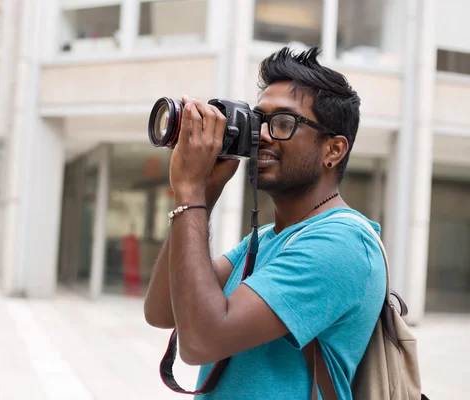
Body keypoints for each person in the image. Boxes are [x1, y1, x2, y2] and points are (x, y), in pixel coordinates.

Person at [143, 47, 387, 399]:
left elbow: (199, 342)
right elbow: (161, 310)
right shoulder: (269, 239)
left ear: (333, 150)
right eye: (258, 121)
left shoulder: (342, 243)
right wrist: (206, 193)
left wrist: (189, 190)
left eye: (284, 123)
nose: (262, 136)